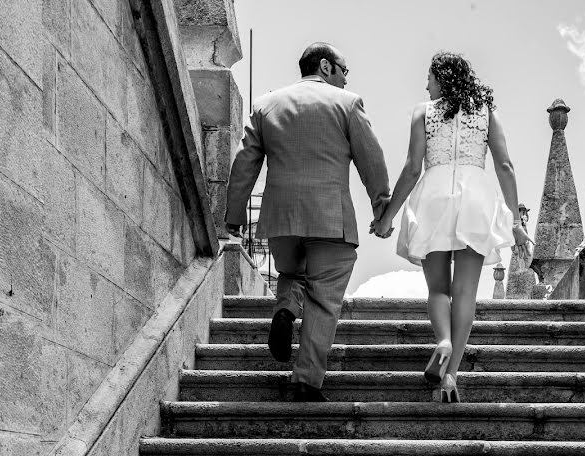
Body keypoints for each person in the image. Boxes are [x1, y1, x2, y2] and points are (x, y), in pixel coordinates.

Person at [225, 42, 392, 402]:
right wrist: (382, 208)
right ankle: (304, 380)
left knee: (292, 274)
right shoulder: (348, 104)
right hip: (332, 221)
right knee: (324, 299)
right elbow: (371, 160)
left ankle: (285, 309)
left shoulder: (267, 105)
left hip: (281, 220)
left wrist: (234, 217)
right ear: (326, 66)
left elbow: (244, 163)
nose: (347, 80)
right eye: (345, 70)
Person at [372, 52, 531, 403]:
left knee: (438, 290)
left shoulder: (421, 112)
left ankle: (442, 340)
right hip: (476, 198)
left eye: (429, 77)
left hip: (434, 198)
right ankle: (451, 376)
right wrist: (516, 222)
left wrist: (388, 216)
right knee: (466, 293)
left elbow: (413, 167)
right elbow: (505, 165)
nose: (425, 84)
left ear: (442, 78)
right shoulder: (487, 111)